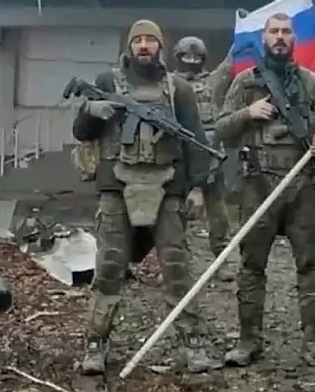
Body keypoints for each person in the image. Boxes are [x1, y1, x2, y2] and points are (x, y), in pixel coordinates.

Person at [71, 20, 220, 375]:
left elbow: (195, 140)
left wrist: (197, 186)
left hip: (168, 187)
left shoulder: (178, 89)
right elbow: (81, 132)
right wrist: (90, 111)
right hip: (116, 187)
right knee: (109, 267)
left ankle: (192, 342)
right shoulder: (108, 82)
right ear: (129, 45)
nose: (143, 46)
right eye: (137, 40)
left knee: (177, 267)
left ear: (160, 47)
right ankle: (96, 343)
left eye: (150, 40)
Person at [214, 12, 315, 367]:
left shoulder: (312, 83)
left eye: (286, 32)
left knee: (312, 265)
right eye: (274, 32)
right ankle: (248, 341)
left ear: (294, 39)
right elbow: (221, 129)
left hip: (304, 186)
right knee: (251, 266)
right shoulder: (245, 84)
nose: (280, 37)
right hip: (258, 185)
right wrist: (248, 113)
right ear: (264, 38)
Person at [171, 36, 236, 283]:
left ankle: (222, 262)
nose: (191, 61)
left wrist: (245, 31)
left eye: (196, 57)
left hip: (209, 154)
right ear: (177, 58)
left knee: (219, 215)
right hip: (179, 155)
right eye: (186, 56)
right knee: (175, 214)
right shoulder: (168, 83)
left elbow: (230, 64)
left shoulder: (213, 81)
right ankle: (179, 264)